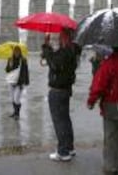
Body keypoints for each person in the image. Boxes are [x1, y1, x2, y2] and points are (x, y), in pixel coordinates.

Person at [87, 45, 118, 175]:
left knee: (110, 135)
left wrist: (91, 101)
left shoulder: (109, 63)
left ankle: (111, 167)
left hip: (114, 104)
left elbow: (99, 85)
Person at [41, 28, 81, 162]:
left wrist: (46, 46)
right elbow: (55, 61)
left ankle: (63, 152)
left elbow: (55, 64)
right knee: (65, 120)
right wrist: (48, 50)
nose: (58, 37)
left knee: (59, 122)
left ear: (66, 37)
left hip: (57, 91)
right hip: (65, 89)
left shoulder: (66, 51)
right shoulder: (71, 50)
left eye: (61, 35)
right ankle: (69, 147)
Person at [5, 46, 29, 120]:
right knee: (12, 99)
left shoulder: (23, 60)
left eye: (17, 51)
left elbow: (26, 72)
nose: (16, 53)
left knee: (16, 99)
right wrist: (10, 65)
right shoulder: (10, 59)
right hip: (11, 82)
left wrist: (25, 82)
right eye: (15, 51)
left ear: (20, 52)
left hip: (19, 82)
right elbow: (7, 70)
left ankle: (17, 114)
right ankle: (15, 112)